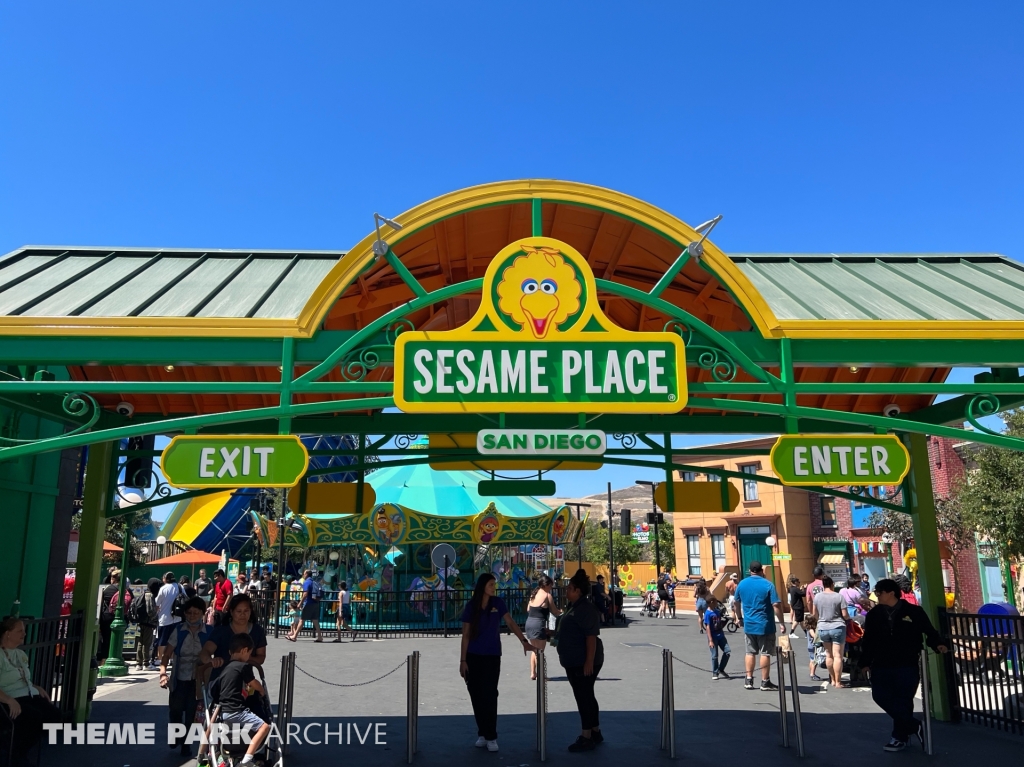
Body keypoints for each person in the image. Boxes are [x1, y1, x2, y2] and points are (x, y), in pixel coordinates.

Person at [859, 578, 949, 752]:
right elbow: (868, 640)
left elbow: (929, 631)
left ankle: (899, 737)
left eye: (880, 592)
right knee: (880, 696)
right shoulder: (874, 614)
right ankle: (915, 726)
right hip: (881, 663)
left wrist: (937, 644)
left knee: (903, 700)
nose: (876, 595)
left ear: (891, 593)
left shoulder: (913, 611)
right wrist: (864, 662)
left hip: (906, 662)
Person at [458, 573, 534, 752]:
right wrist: (462, 660)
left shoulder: (498, 603)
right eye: (491, 584)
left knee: (490, 694)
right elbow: (466, 635)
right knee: (476, 695)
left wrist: (523, 640)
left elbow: (511, 622)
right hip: (473, 656)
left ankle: (492, 735)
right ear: (483, 586)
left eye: (494, 584)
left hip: (492, 655)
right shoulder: (471, 607)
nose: (494, 587)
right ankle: (482, 733)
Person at [0, 617, 63, 765]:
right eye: (20, 631)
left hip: (28, 694)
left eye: (24, 630)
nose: (24, 634)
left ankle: (21, 750)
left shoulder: (20, 654)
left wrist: (35, 686)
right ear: (8, 633)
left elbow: (21, 677)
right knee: (32, 717)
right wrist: (9, 700)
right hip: (9, 698)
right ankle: (15, 754)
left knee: (54, 716)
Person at [554, 569, 604, 752]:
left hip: (582, 660)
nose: (566, 591)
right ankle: (595, 730)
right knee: (587, 695)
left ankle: (586, 736)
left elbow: (590, 637)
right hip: (573, 658)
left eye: (569, 588)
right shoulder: (573, 607)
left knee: (583, 697)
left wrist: (588, 662)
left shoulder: (585, 609)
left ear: (577, 591)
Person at [159, 597, 210, 760]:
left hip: (198, 679)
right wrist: (162, 673)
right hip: (179, 676)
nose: (193, 615)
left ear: (203, 613)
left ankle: (186, 745)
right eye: (189, 613)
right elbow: (167, 654)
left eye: (196, 612)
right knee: (175, 710)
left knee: (191, 713)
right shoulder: (178, 630)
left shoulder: (209, 631)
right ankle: (175, 735)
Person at [210, 633, 271, 765]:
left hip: (225, 712)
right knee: (265, 727)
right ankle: (247, 759)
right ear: (244, 650)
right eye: (249, 653)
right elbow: (253, 682)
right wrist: (261, 690)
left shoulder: (226, 669)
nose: (248, 657)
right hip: (237, 711)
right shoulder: (243, 666)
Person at [733, 561, 784, 691]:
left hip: (749, 624)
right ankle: (765, 681)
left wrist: (739, 617)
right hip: (765, 624)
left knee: (750, 652)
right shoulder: (768, 585)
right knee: (765, 653)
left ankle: (748, 679)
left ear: (750, 571)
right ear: (762, 570)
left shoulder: (742, 584)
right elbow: (776, 605)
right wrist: (782, 622)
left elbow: (736, 603)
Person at [204, 593, 268, 680]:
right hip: (221, 680)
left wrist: (246, 658)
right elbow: (205, 652)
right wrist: (211, 660)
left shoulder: (257, 631)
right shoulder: (220, 631)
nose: (243, 614)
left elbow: (261, 657)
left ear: (250, 611)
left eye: (246, 611)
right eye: (239, 611)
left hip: (246, 680)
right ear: (231, 612)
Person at [810, 576, 847, 688]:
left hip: (823, 627)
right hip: (837, 627)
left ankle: (832, 680)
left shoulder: (817, 597)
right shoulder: (839, 596)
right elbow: (845, 615)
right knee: (837, 656)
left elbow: (814, 614)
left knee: (829, 654)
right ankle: (838, 681)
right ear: (832, 584)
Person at [524, 575, 561, 680]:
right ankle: (541, 675)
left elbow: (528, 609)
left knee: (534, 650)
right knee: (540, 651)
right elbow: (554, 612)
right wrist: (562, 612)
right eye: (551, 586)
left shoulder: (533, 594)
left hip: (529, 623)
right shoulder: (547, 596)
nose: (551, 588)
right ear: (547, 585)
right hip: (538, 624)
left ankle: (533, 673)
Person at [155, 571, 185, 651]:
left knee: (162, 640)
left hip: (164, 619)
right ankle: (171, 658)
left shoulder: (163, 589)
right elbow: (185, 598)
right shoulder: (180, 587)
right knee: (174, 640)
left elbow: (157, 604)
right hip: (177, 618)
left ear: (165, 579)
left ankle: (160, 658)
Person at [134, 578, 159, 671]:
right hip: (147, 622)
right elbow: (150, 610)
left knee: (140, 643)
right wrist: (155, 619)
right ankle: (146, 663)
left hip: (140, 622)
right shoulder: (150, 595)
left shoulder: (144, 593)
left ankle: (138, 663)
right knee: (147, 643)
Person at [704, 595, 731, 680]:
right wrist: (710, 640)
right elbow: (707, 627)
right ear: (712, 602)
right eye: (716, 601)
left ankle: (721, 669)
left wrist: (725, 621)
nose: (717, 603)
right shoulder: (708, 614)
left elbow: (719, 624)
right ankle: (715, 672)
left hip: (721, 636)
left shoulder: (717, 611)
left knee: (727, 651)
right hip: (713, 637)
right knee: (714, 656)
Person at [97, 569, 121, 660]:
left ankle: (104, 659)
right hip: (118, 617)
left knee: (106, 639)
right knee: (116, 639)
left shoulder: (106, 589)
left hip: (105, 617)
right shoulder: (122, 590)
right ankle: (115, 657)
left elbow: (100, 603)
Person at [299, 569, 324, 642]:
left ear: (306, 574)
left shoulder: (307, 582)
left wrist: (300, 603)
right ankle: (319, 636)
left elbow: (305, 594)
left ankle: (294, 636)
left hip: (308, 603)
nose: (303, 575)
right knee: (315, 620)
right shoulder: (314, 581)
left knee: (302, 620)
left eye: (304, 573)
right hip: (315, 603)